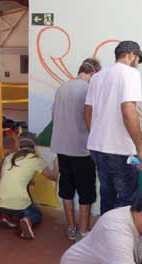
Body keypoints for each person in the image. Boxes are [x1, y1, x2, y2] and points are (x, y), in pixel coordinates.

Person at [84, 40, 142, 215]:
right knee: (127, 197)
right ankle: (118, 239)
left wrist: (97, 134)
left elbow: (87, 110)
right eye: (137, 59)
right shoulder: (130, 74)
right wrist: (141, 149)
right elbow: (128, 111)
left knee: (107, 194)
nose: (137, 63)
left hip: (97, 148)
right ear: (130, 55)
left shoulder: (97, 76)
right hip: (121, 151)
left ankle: (106, 236)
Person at [51, 58, 101, 241]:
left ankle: (71, 227)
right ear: (93, 73)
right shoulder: (90, 89)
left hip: (62, 148)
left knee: (66, 189)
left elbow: (53, 115)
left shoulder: (62, 87)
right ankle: (83, 229)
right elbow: (92, 119)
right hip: (82, 150)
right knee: (86, 192)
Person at [0, 136, 58, 239]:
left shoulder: (9, 156)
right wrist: (56, 163)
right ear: (33, 148)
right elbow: (54, 177)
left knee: (15, 205)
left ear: (19, 147)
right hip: (16, 202)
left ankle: (6, 216)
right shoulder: (35, 159)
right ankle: (27, 220)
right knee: (36, 213)